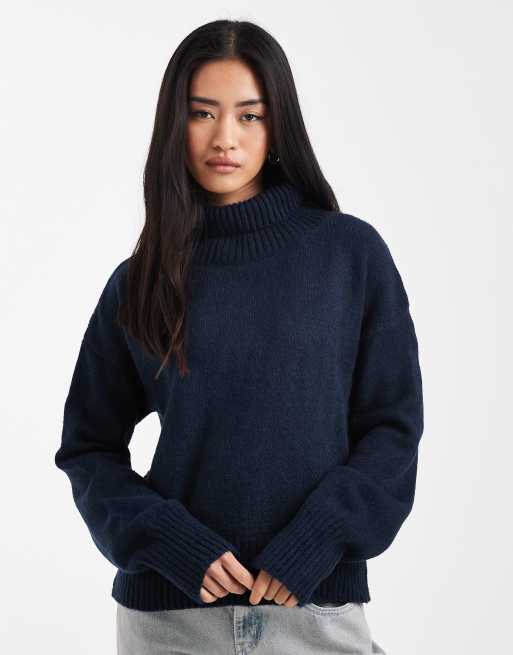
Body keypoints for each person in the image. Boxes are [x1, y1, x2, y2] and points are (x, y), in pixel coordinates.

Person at [54, 18, 423, 655]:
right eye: (202, 113)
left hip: (314, 616)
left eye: (250, 116)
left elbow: (392, 429)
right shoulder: (141, 280)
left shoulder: (349, 255)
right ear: (175, 123)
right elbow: (88, 449)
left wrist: (319, 538)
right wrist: (168, 542)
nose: (225, 137)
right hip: (170, 623)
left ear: (278, 127)